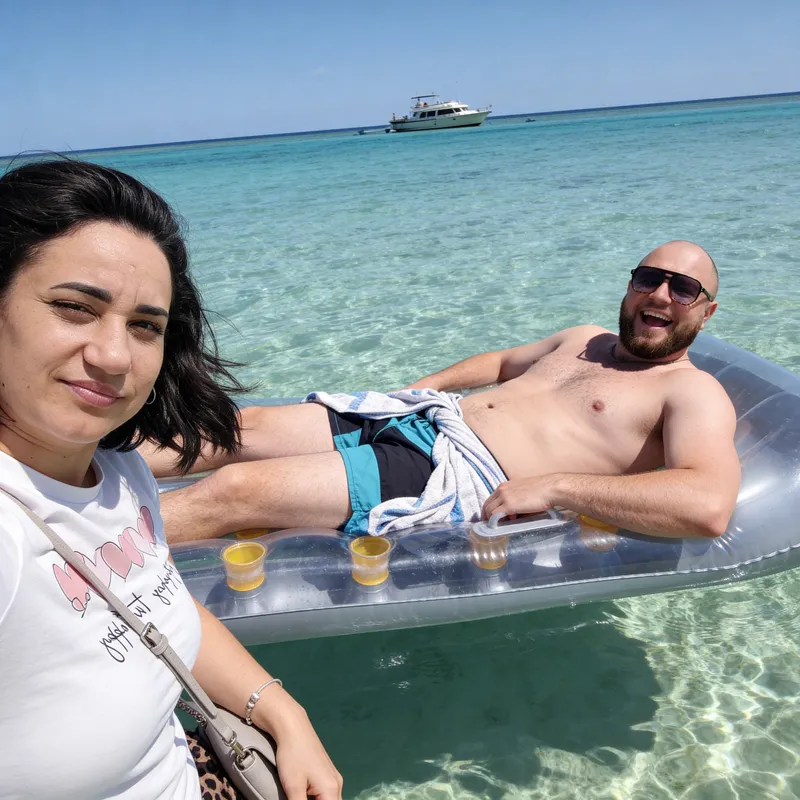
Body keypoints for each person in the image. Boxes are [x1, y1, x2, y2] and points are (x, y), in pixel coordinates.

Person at [0, 159, 342, 800]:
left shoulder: (121, 471)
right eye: (74, 308)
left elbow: (155, 603)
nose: (113, 356)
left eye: (145, 326)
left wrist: (284, 714)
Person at [143, 240, 741, 544]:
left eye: (683, 288)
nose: (660, 294)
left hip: (452, 471)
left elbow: (708, 505)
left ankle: (71, 552)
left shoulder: (691, 391)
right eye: (648, 277)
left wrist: (557, 487)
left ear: (705, 312)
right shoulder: (585, 338)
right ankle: (68, 472)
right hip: (428, 418)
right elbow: (505, 361)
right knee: (236, 429)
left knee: (237, 490)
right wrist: (421, 388)